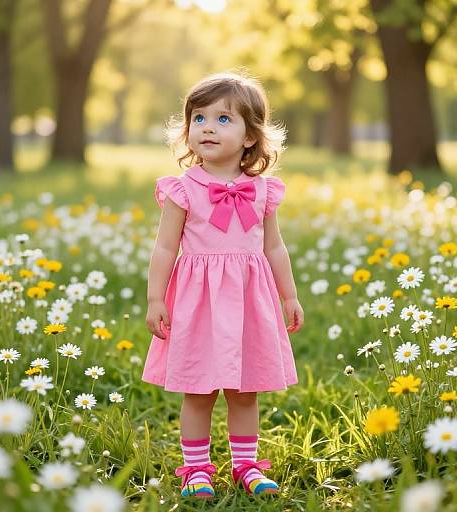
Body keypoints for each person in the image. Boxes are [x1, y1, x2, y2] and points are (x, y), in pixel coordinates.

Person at [143, 71, 304, 499]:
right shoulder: (183, 190)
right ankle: (196, 469)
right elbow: (164, 249)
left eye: (223, 119)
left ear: (251, 137)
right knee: (199, 388)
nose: (208, 128)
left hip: (250, 301)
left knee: (244, 389)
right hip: (199, 303)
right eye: (199, 118)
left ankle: (246, 465)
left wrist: (289, 295)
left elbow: (274, 248)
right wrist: (156, 298)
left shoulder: (263, 191)